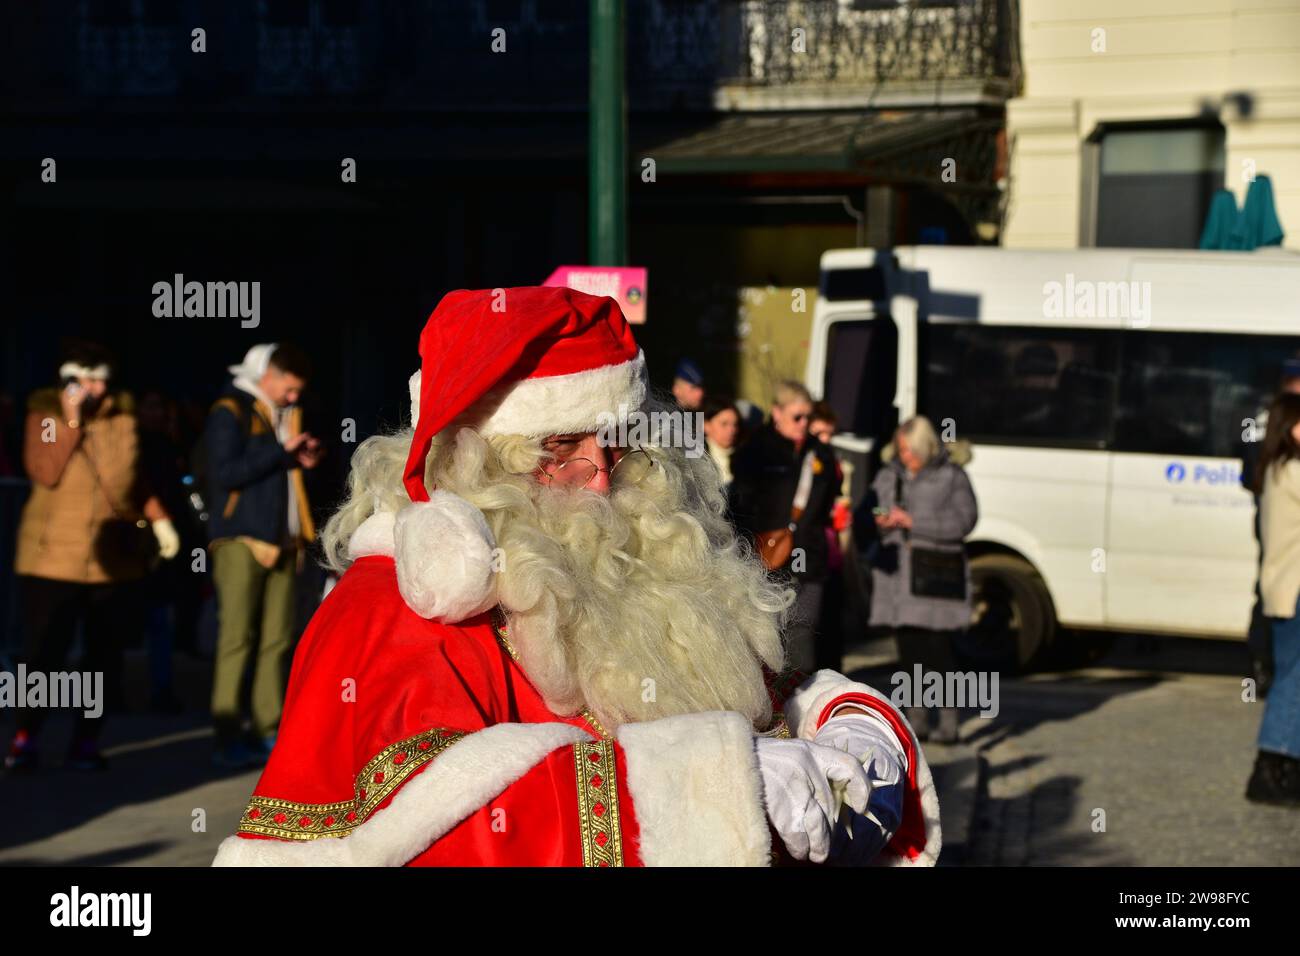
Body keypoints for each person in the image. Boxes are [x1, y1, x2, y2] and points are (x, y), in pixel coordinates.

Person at [212, 287, 940, 867]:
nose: (600, 480)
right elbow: (437, 835)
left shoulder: (635, 558)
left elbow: (756, 713)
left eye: (616, 443)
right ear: (471, 457)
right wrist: (716, 787)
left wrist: (844, 730)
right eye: (559, 448)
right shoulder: (391, 607)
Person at [5, 340, 181, 772]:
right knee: (45, 654)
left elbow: (133, 481)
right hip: (52, 560)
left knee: (103, 656)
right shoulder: (43, 415)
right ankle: (26, 736)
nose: (97, 388)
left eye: (103, 379)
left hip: (112, 558)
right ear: (68, 379)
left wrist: (159, 520)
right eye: (87, 379)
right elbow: (44, 472)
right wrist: (69, 420)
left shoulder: (124, 420)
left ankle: (86, 740)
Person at [204, 343, 322, 769]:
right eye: (289, 389)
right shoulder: (229, 409)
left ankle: (268, 728)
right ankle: (226, 733)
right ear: (266, 374)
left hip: (286, 539)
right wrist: (281, 450)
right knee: (237, 638)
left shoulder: (285, 414)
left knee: (277, 640)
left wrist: (304, 457)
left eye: (297, 392)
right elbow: (223, 473)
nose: (293, 398)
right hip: (241, 539)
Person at [865, 416, 977, 745]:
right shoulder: (889, 473)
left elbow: (964, 520)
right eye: (901, 449)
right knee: (911, 653)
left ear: (926, 447)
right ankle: (916, 721)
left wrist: (914, 520)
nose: (905, 456)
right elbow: (871, 510)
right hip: (899, 580)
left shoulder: (952, 476)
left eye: (910, 450)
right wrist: (882, 518)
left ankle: (948, 719)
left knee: (939, 653)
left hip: (936, 578)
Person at [729, 381, 839, 675]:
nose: (804, 424)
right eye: (797, 417)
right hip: (766, 556)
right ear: (777, 413)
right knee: (769, 633)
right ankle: (776, 707)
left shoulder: (821, 455)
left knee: (803, 630)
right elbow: (742, 506)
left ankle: (802, 701)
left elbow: (826, 501)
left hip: (809, 557)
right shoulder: (755, 451)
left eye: (808, 417)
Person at [1245, 392, 1300, 806]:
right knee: (1293, 679)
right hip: (1296, 590)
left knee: (1292, 676)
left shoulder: (1274, 469)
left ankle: (1284, 765)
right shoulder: (1293, 470)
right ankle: (1270, 767)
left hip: (1285, 589)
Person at [1241, 359, 1300, 699]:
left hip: (1275, 509)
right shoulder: (1264, 416)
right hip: (1278, 513)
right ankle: (1262, 665)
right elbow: (1249, 468)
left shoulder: (1267, 414)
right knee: (1271, 591)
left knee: (1271, 588)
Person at [809, 402, 852, 673]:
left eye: (829, 434)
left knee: (831, 622)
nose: (825, 440)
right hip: (814, 548)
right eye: (820, 433)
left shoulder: (829, 460)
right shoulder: (808, 459)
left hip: (830, 548)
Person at [700, 396, 740, 489]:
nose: (732, 430)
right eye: (724, 424)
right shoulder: (696, 459)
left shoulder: (745, 456)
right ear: (706, 425)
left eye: (735, 424)